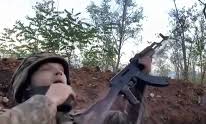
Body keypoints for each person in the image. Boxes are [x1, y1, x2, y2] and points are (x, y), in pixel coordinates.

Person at [0, 52, 153, 124]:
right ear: (25, 85)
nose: (59, 72)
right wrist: (48, 101)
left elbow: (131, 122)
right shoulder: (8, 116)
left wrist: (139, 82)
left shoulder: (85, 119)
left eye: (62, 71)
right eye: (46, 69)